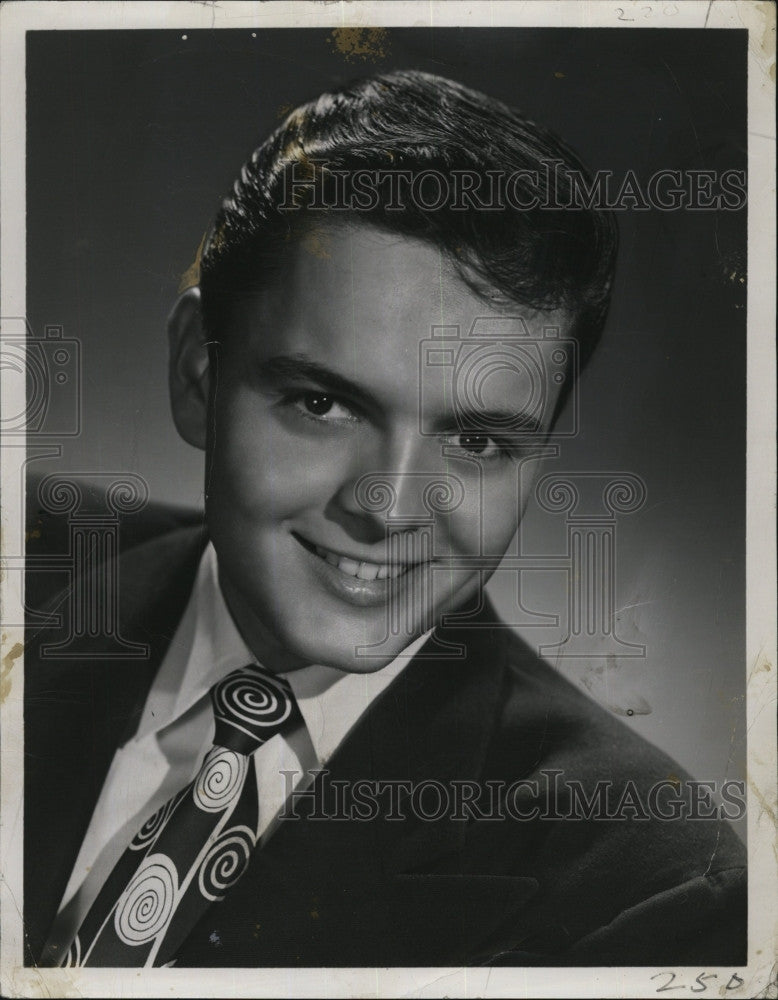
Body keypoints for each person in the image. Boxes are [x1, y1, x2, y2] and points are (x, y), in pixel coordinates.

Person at [25, 69, 745, 968]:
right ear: (195, 375)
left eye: (478, 442)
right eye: (324, 404)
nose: (391, 508)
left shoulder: (648, 886)